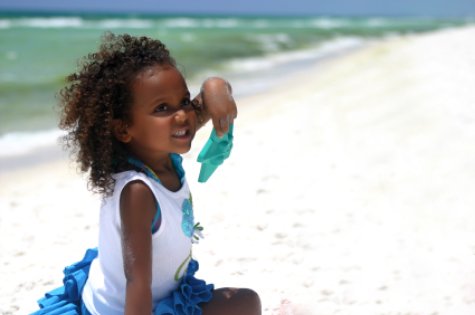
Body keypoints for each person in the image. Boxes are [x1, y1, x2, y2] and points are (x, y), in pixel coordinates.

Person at [31, 33, 261, 315]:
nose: (182, 116)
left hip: (162, 291)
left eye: (184, 101)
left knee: (247, 302)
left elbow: (208, 102)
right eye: (162, 108)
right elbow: (137, 281)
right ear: (124, 129)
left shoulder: (160, 150)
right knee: (247, 304)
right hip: (130, 307)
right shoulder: (138, 192)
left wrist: (217, 86)